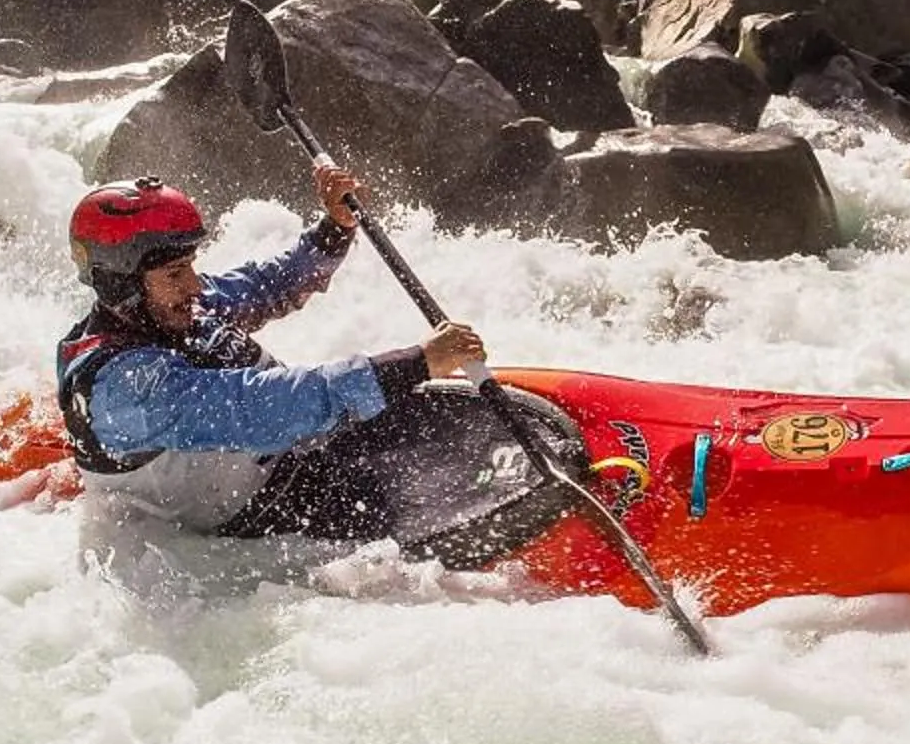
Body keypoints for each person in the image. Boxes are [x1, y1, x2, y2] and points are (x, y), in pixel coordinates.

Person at [59, 170, 574, 561]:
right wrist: (416, 363)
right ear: (121, 283)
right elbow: (261, 408)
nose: (194, 285)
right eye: (177, 273)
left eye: (190, 267)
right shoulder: (124, 391)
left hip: (304, 451)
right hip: (267, 510)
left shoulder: (172, 307)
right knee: (390, 495)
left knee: (402, 423)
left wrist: (335, 227)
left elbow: (271, 284)